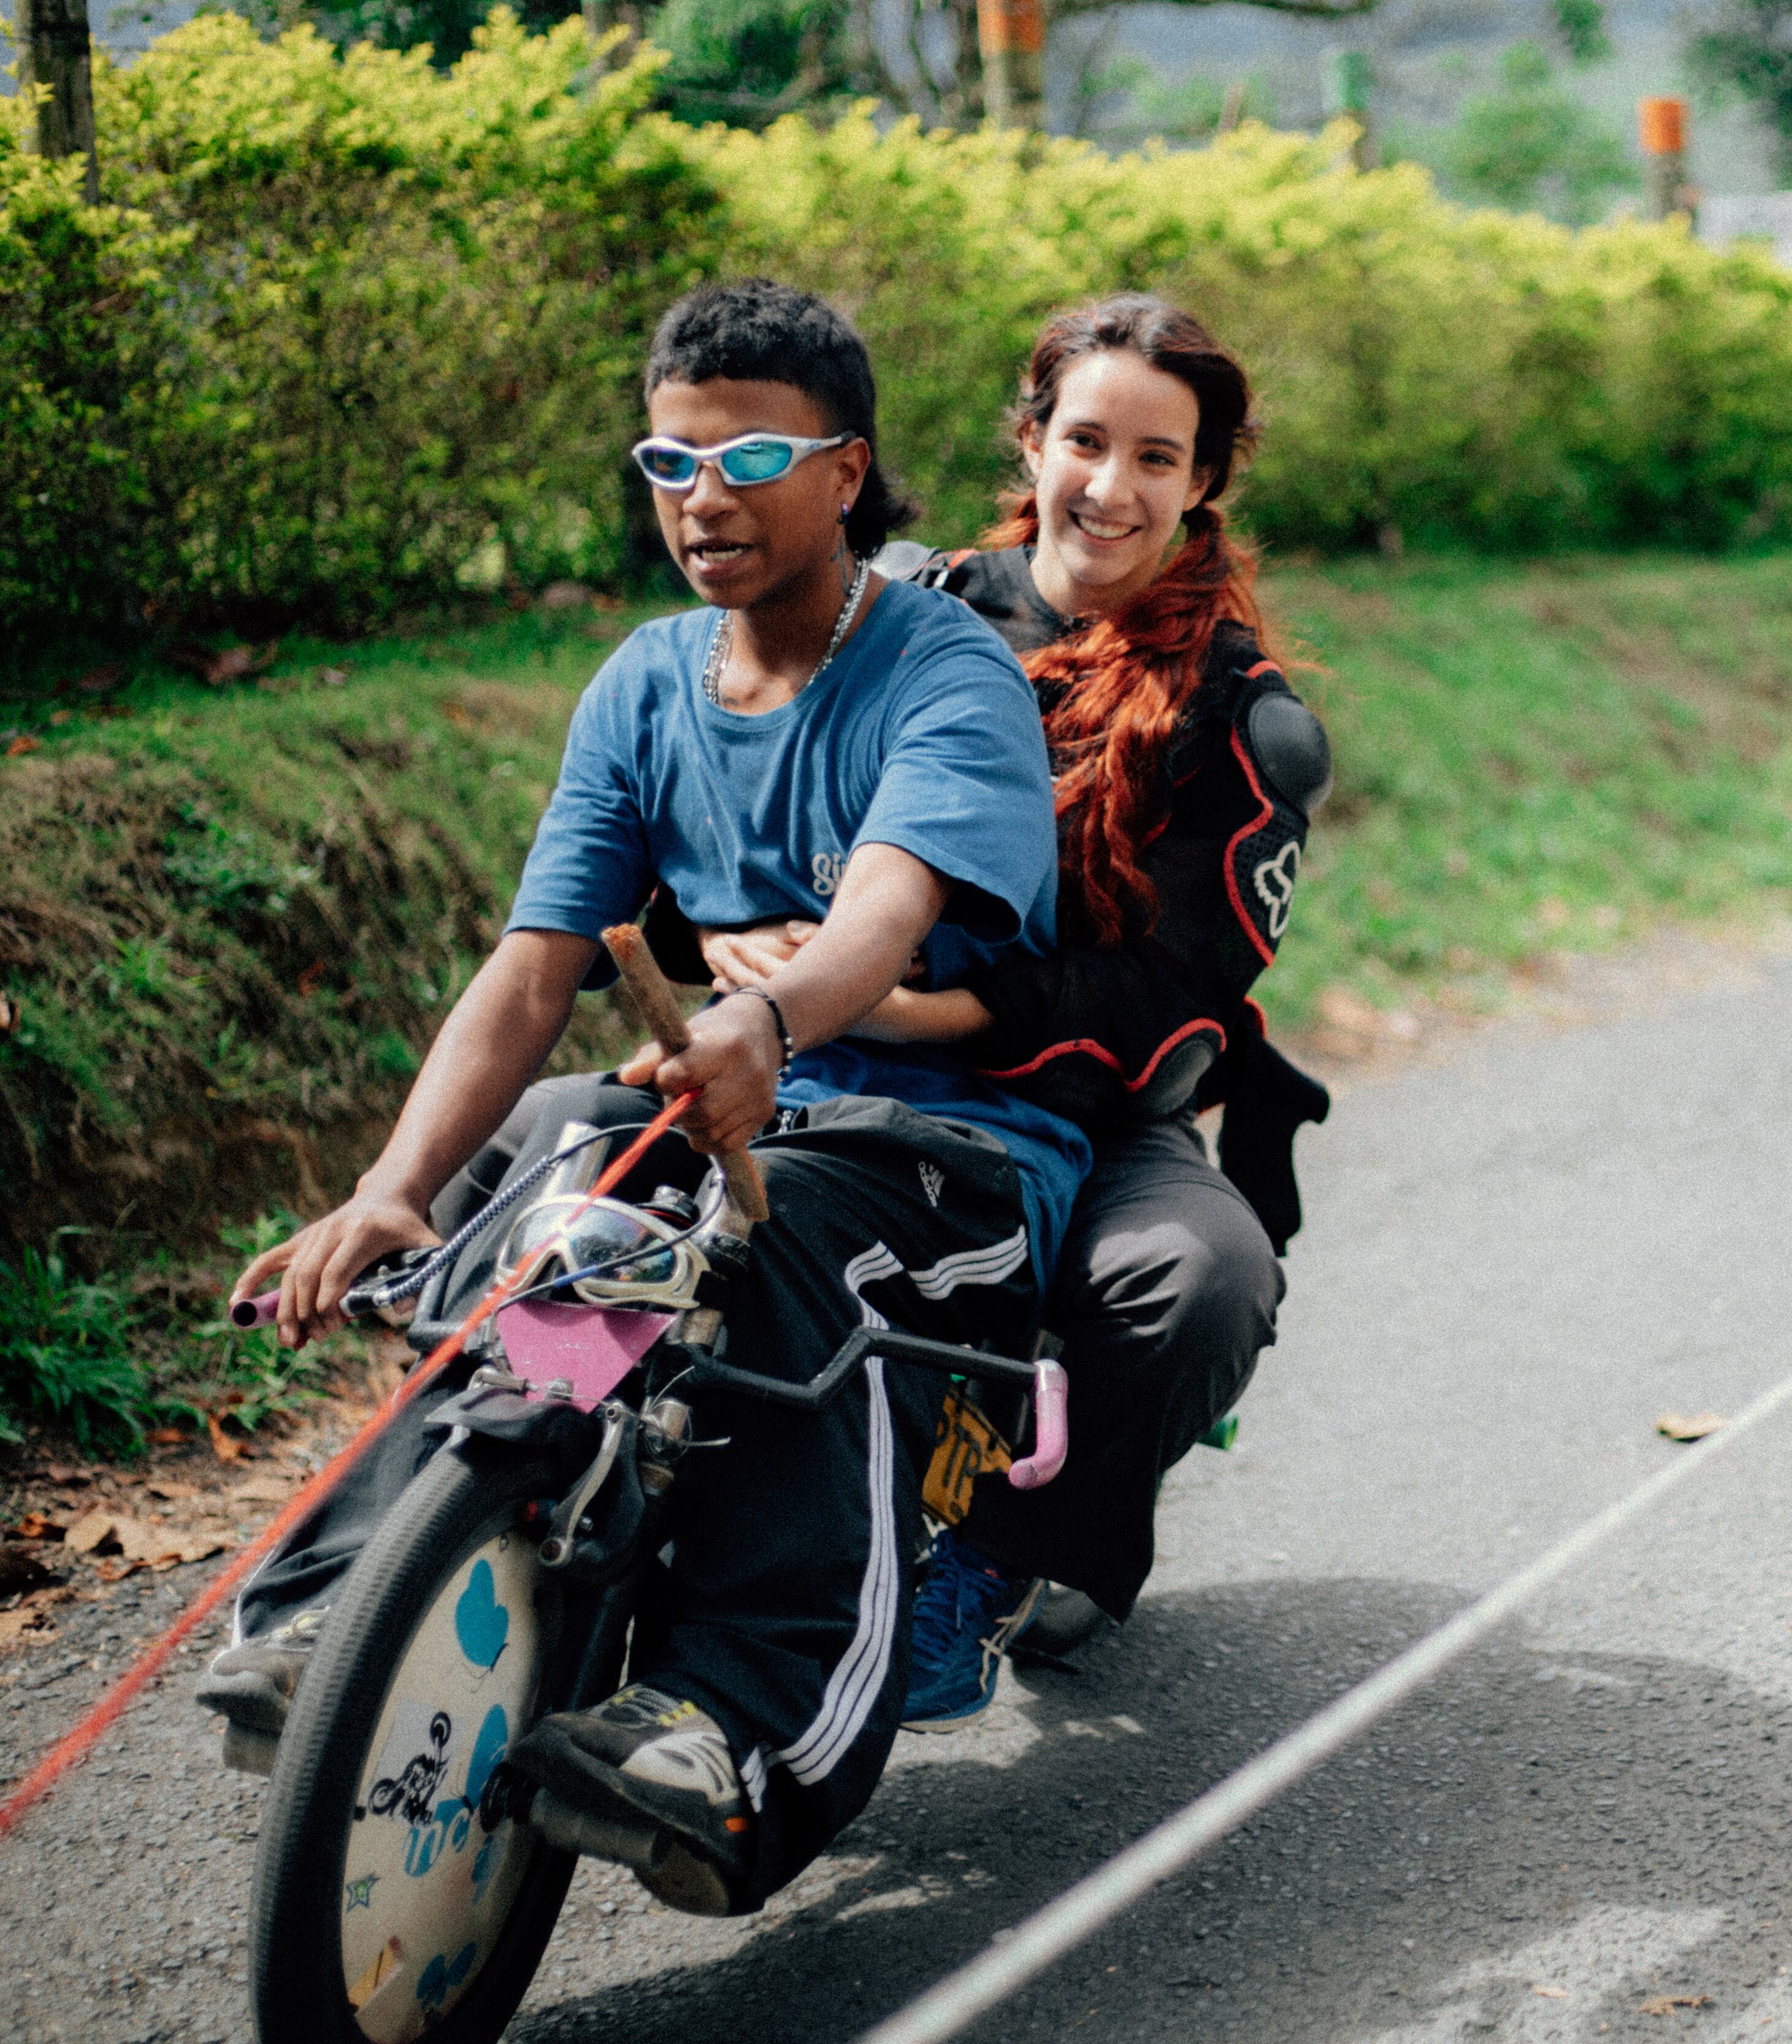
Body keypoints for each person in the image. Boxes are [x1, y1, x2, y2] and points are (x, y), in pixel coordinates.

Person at [203, 278, 1092, 1915]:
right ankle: (360, 1609)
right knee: (551, 1166)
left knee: (796, 1258)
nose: (705, 495)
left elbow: (889, 911)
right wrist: (398, 1180)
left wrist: (772, 1008)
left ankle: (730, 1725)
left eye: (752, 452)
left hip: (945, 1150)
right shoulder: (643, 682)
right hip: (713, 1094)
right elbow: (534, 968)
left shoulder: (946, 673)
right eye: (669, 460)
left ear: (846, 470)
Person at [702, 295, 1330, 1728]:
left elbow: (1176, 1002)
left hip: (1081, 1103)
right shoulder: (892, 610)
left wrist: (937, 1012)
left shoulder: (1246, 718)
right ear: (1032, 439)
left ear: (1203, 482)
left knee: (1197, 1276)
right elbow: (724, 791)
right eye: (1086, 440)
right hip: (813, 1044)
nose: (1111, 489)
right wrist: (742, 937)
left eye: (1157, 459)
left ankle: (993, 1561)